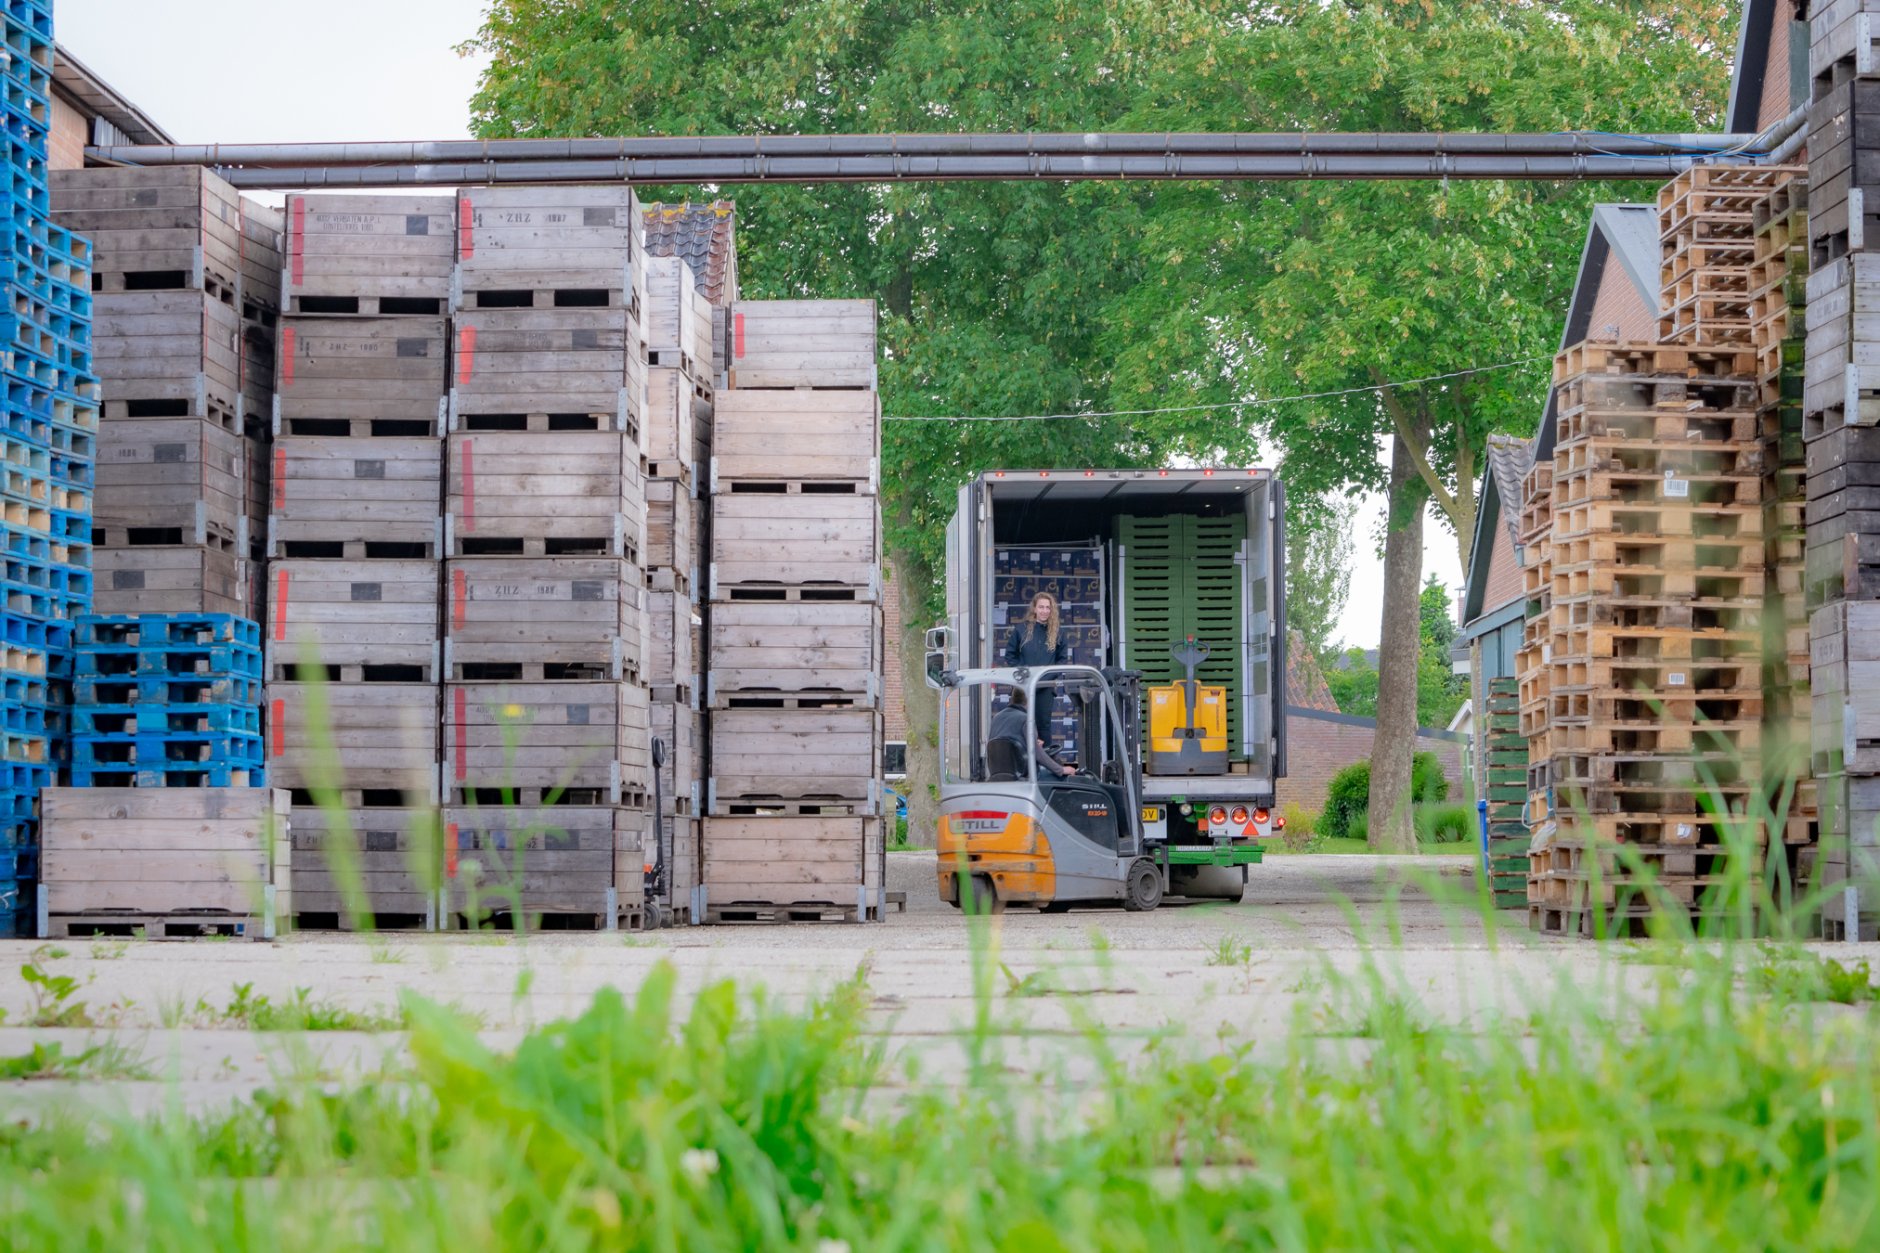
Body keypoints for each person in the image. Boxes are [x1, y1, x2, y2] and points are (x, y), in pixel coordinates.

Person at [1003, 590, 1072, 748]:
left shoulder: (1059, 633)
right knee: (1021, 725)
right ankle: (1023, 766)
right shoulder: (1021, 629)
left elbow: (1062, 661)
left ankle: (1045, 767)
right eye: (1041, 607)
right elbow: (1010, 655)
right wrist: (1024, 675)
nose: (1044, 611)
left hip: (1045, 688)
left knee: (1043, 727)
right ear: (1034, 608)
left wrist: (1046, 678)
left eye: (1048, 608)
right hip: (1023, 688)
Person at [989, 687, 1074, 779]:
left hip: (997, 775)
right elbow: (1037, 753)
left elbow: (1005, 745)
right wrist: (1061, 770)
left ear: (1012, 699)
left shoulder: (996, 718)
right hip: (1023, 775)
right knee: (1060, 777)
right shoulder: (1026, 719)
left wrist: (1033, 744)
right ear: (1030, 699)